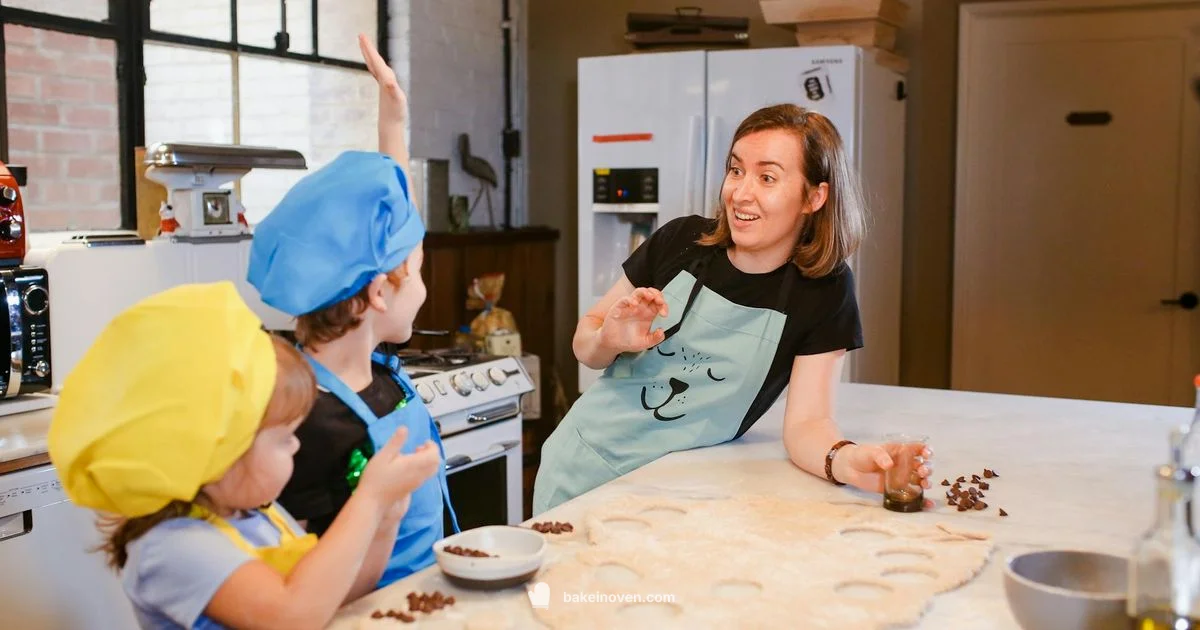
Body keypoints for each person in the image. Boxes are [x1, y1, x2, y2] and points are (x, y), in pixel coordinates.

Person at [533, 104, 934, 514]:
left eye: (767, 177)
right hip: (581, 473)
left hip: (679, 493)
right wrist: (608, 340)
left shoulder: (824, 290)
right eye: (736, 170)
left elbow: (807, 425)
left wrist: (847, 462)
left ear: (814, 197)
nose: (740, 193)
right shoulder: (681, 241)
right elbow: (585, 344)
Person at [46, 282, 440, 629]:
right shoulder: (173, 547)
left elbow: (333, 599)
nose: (297, 446)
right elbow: (293, 616)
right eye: (284, 437)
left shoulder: (254, 514)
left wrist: (386, 519)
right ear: (221, 452)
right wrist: (368, 502)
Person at [246, 34, 457, 586]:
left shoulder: (376, 368)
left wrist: (393, 121)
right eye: (416, 271)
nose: (423, 286)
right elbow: (311, 582)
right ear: (377, 296)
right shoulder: (306, 422)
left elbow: (391, 216)